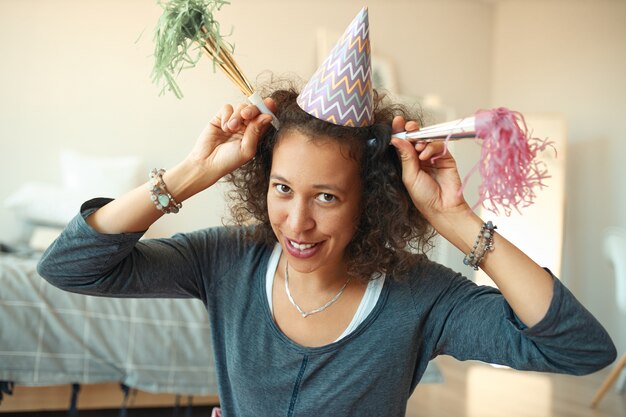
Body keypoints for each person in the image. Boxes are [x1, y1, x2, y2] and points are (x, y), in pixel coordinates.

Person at [38, 8, 616, 416]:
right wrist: (195, 172)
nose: (296, 222)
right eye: (283, 189)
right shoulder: (228, 259)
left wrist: (454, 218)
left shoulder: (422, 297)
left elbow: (580, 348)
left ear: (373, 199)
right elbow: (71, 266)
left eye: (327, 197)